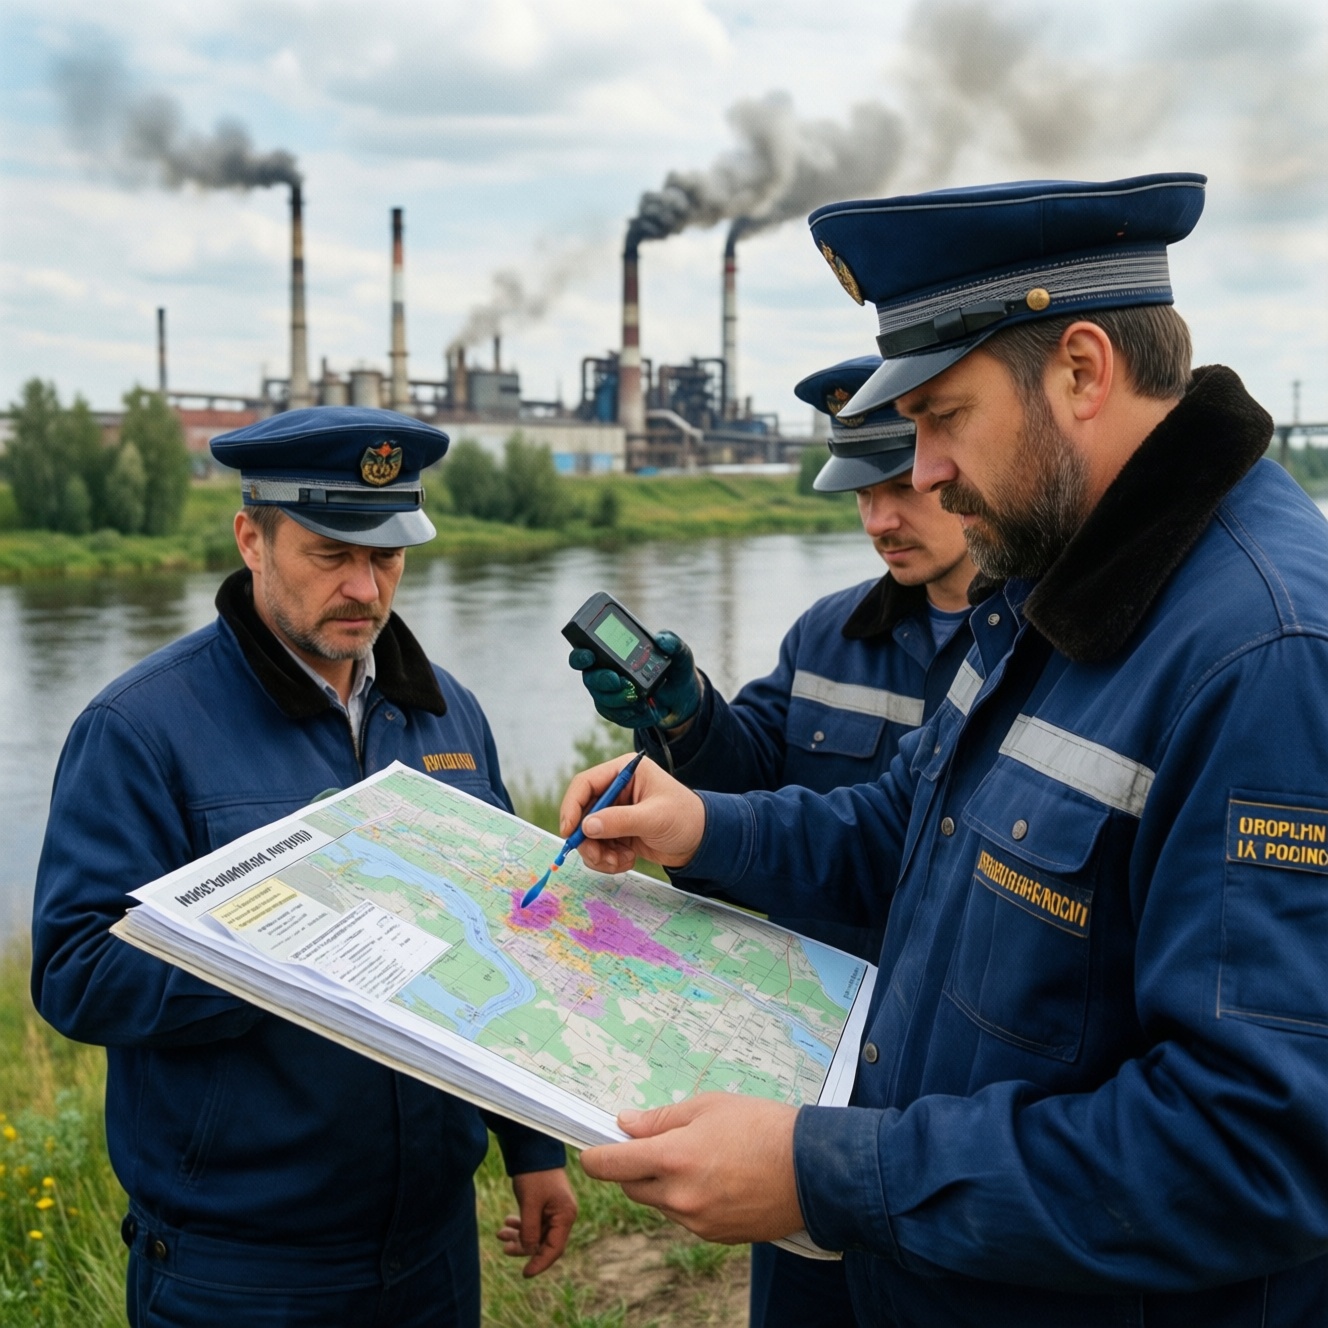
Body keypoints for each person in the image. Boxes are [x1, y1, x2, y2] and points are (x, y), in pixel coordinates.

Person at [562, 173, 1328, 1325]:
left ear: (1080, 371)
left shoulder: (1264, 655)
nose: (917, 473)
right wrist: (703, 824)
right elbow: (907, 827)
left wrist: (827, 1173)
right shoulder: (1046, 586)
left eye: (939, 417)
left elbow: (1252, 1147)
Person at [31, 407, 577, 1328]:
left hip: (434, 1245)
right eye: (331, 554)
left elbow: (501, 932)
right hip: (241, 1269)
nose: (365, 588)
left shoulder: (448, 714)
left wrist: (531, 1146)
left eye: (388, 557)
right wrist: (294, 951)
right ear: (252, 540)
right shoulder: (139, 729)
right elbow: (74, 973)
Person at [571, 357, 976, 1327]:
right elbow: (752, 774)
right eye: (860, 493)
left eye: (899, 485)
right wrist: (683, 717)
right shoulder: (827, 633)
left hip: (945, 1107)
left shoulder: (1042, 652)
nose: (879, 518)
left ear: (954, 460)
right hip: (797, 1087)